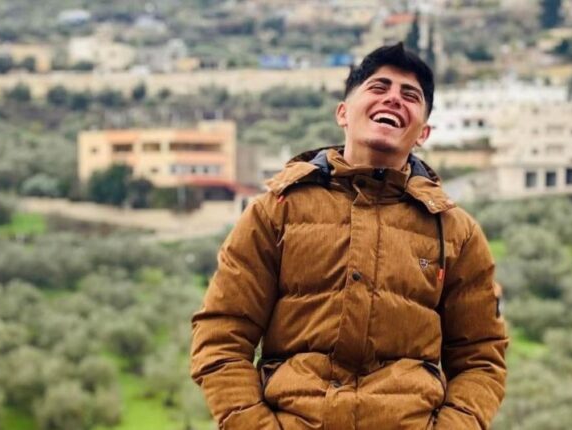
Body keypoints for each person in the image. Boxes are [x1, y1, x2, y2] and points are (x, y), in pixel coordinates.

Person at [191, 42, 508, 430]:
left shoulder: (456, 232)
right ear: (343, 112)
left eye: (410, 95)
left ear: (423, 132)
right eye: (379, 87)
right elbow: (221, 335)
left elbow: (481, 359)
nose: (394, 99)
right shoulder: (276, 211)